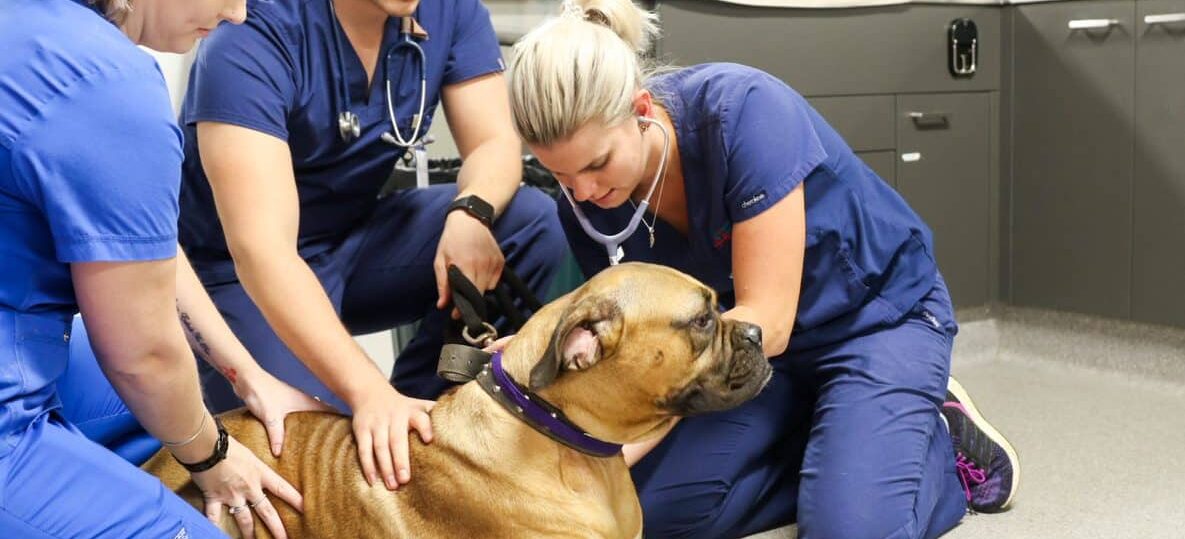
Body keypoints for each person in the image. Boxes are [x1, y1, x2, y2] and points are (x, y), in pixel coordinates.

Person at [507, 1, 1021, 538]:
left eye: (596, 164)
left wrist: (610, 446)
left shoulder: (744, 112)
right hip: (749, 364)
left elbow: (765, 326)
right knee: (645, 513)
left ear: (640, 110)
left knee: (846, 531)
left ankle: (939, 446)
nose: (584, 192)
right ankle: (842, 448)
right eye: (562, 176)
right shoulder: (585, 204)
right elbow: (640, 353)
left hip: (871, 323)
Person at [177, 0, 567, 493]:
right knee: (310, 453)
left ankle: (430, 417)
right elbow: (263, 253)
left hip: (355, 240)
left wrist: (472, 212)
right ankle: (381, 413)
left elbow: (494, 142)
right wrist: (366, 392)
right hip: (237, 273)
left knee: (526, 222)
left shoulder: (449, 11)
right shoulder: (251, 33)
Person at [0, 0, 309, 537]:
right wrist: (210, 457)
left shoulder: (30, 23)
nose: (238, 14)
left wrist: (245, 373)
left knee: (158, 411)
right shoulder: (110, 86)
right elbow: (143, 355)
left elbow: (140, 247)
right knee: (168, 406)